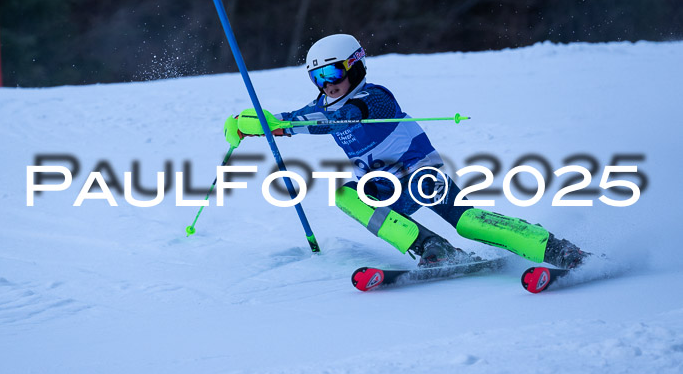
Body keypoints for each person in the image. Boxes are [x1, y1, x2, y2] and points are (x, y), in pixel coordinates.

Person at [224, 34, 589, 269]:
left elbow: (344, 117)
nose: (327, 86)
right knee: (345, 196)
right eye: (318, 79)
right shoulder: (327, 103)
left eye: (333, 75)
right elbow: (306, 117)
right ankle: (432, 249)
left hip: (421, 176)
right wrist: (256, 124)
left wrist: (283, 122)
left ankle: (555, 248)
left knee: (468, 222)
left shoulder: (376, 98)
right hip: (382, 186)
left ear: (355, 67)